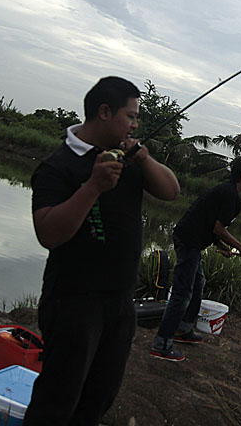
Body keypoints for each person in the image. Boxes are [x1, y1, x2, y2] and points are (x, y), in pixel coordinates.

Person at [24, 76, 180, 426]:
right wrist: (93, 186)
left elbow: (171, 191)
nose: (136, 124)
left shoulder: (129, 160)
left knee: (98, 398)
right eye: (131, 115)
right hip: (73, 301)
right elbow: (48, 233)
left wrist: (142, 156)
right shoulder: (58, 165)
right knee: (57, 399)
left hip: (121, 301)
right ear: (105, 112)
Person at [150, 154, 241, 361]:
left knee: (198, 283)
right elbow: (219, 229)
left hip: (194, 240)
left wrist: (220, 245)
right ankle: (161, 343)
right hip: (188, 240)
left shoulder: (229, 194)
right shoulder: (229, 194)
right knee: (182, 294)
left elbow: (211, 225)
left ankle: (183, 329)